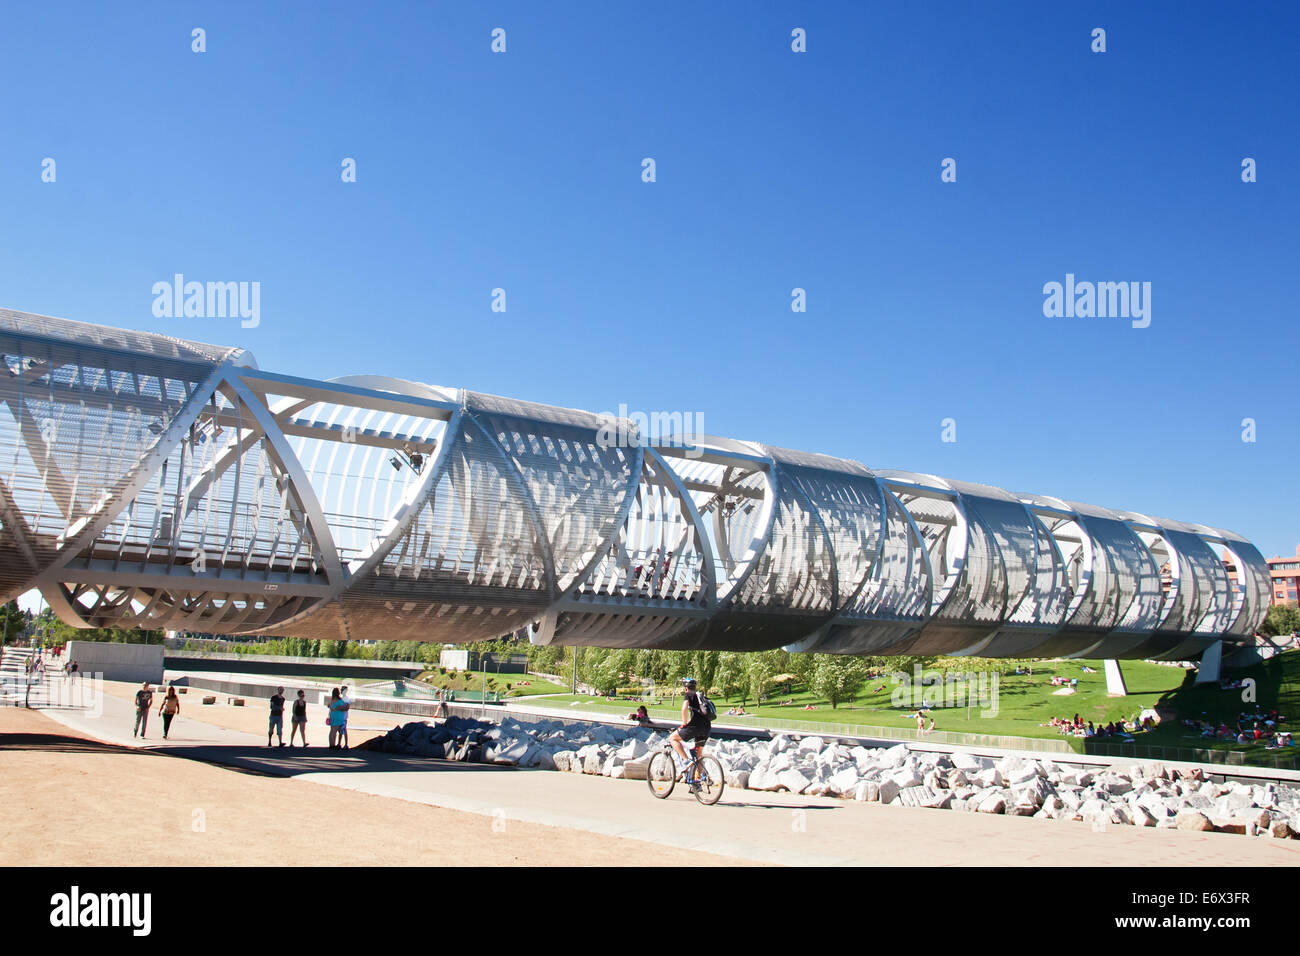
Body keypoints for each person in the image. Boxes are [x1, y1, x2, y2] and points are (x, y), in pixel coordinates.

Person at [667, 678, 711, 792]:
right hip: (706, 728)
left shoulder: (688, 695)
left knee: (673, 738)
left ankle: (686, 760)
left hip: (694, 727)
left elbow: (684, 708)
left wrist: (684, 723)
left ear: (686, 688)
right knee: (698, 755)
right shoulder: (700, 696)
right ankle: (699, 780)